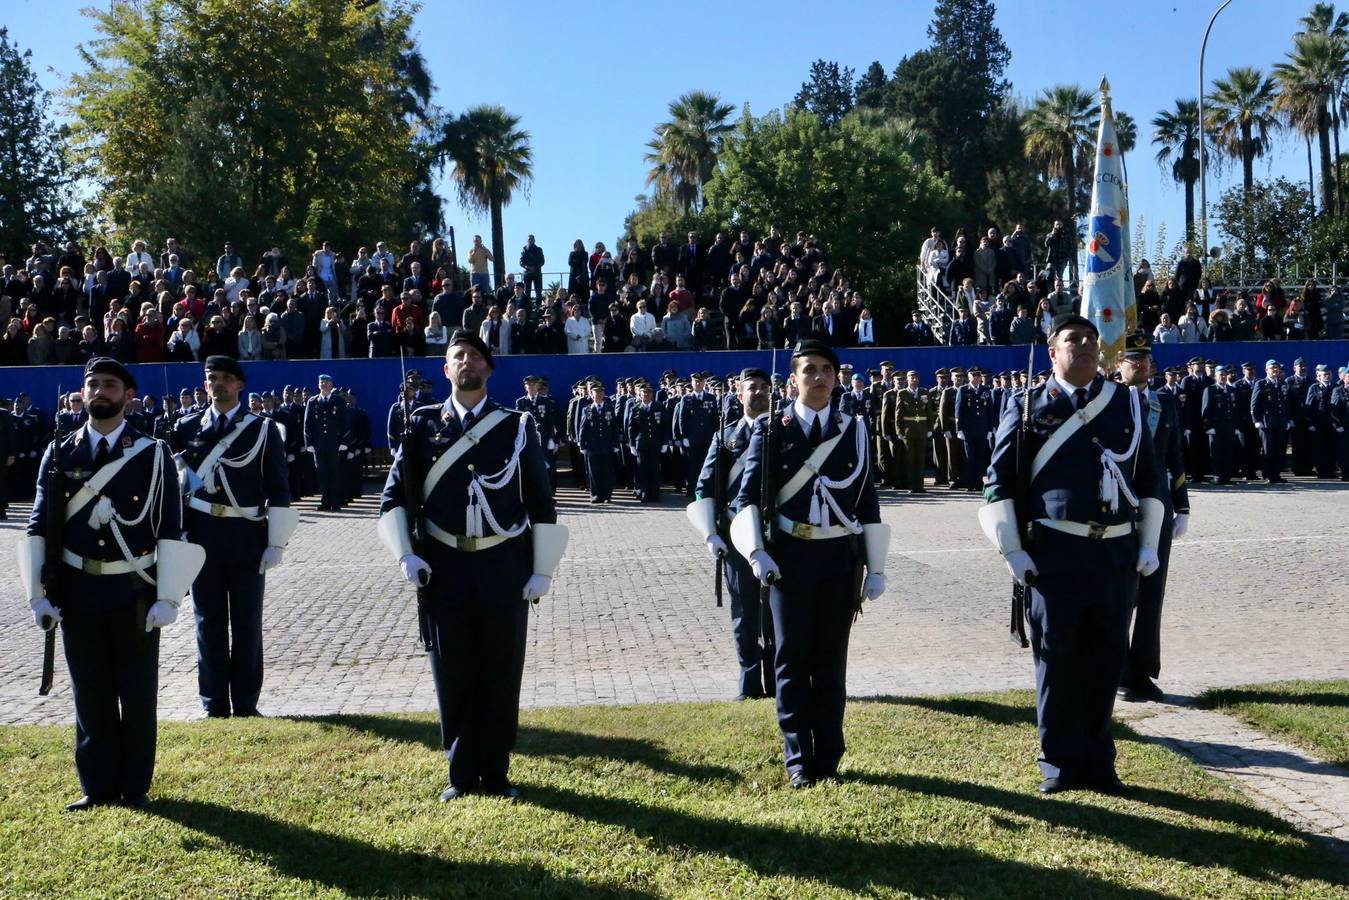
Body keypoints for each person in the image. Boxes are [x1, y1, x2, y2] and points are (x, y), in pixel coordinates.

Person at [978, 314, 1163, 795]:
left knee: (1105, 661)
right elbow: (997, 484)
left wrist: (1147, 543)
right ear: (1052, 351)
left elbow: (1150, 479)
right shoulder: (1025, 405)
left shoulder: (1128, 403)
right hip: (1054, 553)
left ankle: (1099, 764)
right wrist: (1012, 551)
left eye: (1090, 340)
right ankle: (1058, 764)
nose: (1083, 346)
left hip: (1114, 553)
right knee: (1055, 662)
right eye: (1071, 340)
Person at [377, 330, 565, 802]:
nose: (467, 362)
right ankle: (460, 773)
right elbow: (394, 498)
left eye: (475, 356)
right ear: (446, 369)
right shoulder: (419, 426)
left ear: (488, 369)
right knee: (452, 667)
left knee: (502, 666)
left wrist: (542, 568)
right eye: (458, 356)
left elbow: (541, 501)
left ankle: (497, 771)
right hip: (444, 565)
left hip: (504, 562)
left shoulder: (516, 425)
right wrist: (406, 553)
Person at [19, 358, 204, 810]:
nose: (99, 392)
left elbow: (170, 528)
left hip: (133, 591)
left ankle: (136, 786)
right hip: (78, 591)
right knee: (90, 691)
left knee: (137, 692)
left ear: (128, 396)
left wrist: (169, 596)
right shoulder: (60, 452)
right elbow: (39, 525)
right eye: (93, 385)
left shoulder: (153, 452)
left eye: (110, 385)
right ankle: (97, 787)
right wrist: (37, 594)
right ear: (81, 394)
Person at [730, 339, 888, 788]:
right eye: (809, 370)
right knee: (792, 660)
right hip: (790, 559)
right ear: (793, 380)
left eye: (826, 370)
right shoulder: (771, 430)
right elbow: (745, 500)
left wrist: (876, 567)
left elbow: (867, 501)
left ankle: (829, 757)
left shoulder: (855, 429)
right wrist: (755, 551)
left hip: (840, 559)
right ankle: (798, 758)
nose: (819, 378)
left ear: (837, 378)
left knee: (831, 660)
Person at [172, 356, 297, 719]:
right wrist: (176, 537)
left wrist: (276, 542)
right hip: (201, 535)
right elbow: (176, 489)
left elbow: (279, 488)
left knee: (246, 621)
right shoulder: (185, 426)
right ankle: (213, 703)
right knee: (206, 620)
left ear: (240, 385)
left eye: (226, 378)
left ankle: (245, 702)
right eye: (212, 378)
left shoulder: (261, 430)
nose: (219, 384)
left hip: (246, 535)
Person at [690, 367, 775, 700]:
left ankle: (778, 681)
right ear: (739, 395)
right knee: (745, 612)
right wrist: (710, 532)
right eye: (751, 387)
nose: (759, 392)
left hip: (775, 537)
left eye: (764, 387)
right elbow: (704, 487)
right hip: (737, 538)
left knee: (776, 613)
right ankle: (750, 683)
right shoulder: (725, 437)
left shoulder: (783, 432)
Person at [1114, 333, 1190, 705]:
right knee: (1117, 592)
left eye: (1145, 359)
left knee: (1152, 593)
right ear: (1118, 365)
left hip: (1156, 506)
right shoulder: (1106, 401)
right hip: (1115, 506)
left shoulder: (1165, 402)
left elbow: (1174, 456)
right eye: (1131, 359)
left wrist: (1183, 506)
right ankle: (1113, 667)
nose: (1139, 364)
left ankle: (1141, 672)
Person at [303, 374, 351, 510]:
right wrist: (309, 443)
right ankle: (325, 501)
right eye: (321, 382)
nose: (323, 384)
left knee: (334, 473)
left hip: (334, 444)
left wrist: (344, 442)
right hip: (318, 445)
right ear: (318, 385)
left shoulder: (339, 401)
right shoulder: (312, 401)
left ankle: (335, 502)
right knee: (321, 473)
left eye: (326, 382)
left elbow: (345, 423)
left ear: (331, 385)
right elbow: (307, 424)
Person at [577, 380, 618, 503]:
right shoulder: (587, 409)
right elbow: (583, 427)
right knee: (594, 472)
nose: (599, 394)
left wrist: (615, 443)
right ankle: (595, 494)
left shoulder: (609, 408)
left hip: (606, 445)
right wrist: (582, 443)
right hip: (592, 446)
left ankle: (607, 495)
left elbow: (614, 427)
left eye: (601, 392)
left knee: (607, 471)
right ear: (591, 394)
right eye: (596, 392)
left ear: (604, 393)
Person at [1251, 360, 1290, 484]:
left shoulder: (1283, 384)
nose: (1275, 370)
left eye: (1276, 368)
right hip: (1266, 423)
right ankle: (1268, 474)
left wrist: (1287, 419)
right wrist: (1256, 420)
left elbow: (1286, 404)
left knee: (1279, 449)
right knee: (1268, 450)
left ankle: (1276, 474)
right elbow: (1254, 404)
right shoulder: (1261, 384)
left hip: (1280, 422)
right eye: (1272, 368)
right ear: (1266, 370)